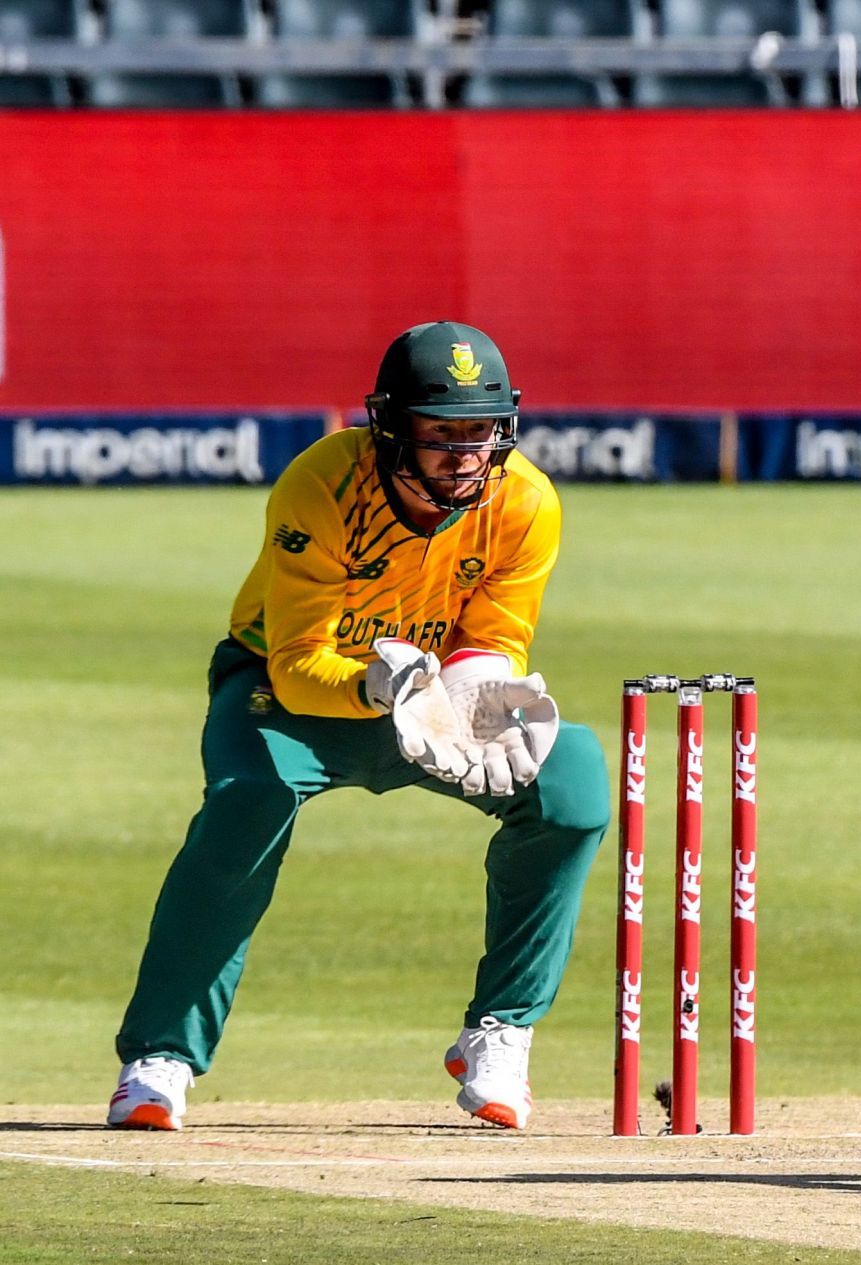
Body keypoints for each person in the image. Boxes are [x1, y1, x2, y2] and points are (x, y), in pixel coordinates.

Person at [108, 321, 608, 1132]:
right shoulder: (322, 485)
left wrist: (478, 688)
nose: (463, 453)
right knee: (248, 798)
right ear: (389, 429)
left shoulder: (527, 501)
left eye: (479, 432)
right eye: (439, 433)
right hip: (293, 692)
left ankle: (500, 1032)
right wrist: (385, 689)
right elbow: (298, 663)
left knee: (571, 785)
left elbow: (499, 632)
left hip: (434, 696)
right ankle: (160, 1058)